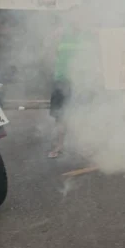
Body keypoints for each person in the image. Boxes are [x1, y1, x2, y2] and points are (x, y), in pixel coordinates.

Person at [48, 24, 82, 159]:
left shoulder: (86, 35)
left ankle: (83, 145)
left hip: (80, 81)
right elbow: (48, 49)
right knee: (59, 115)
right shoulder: (61, 34)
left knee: (82, 113)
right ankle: (59, 146)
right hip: (61, 80)